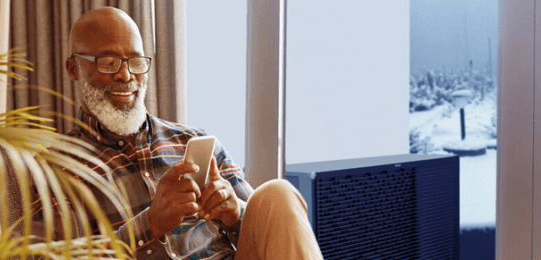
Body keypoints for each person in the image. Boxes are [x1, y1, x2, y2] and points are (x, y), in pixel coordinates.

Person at [22, 7, 323, 260]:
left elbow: (266, 232)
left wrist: (234, 212)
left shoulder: (194, 141)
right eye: (109, 62)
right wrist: (149, 224)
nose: (126, 75)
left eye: (136, 62)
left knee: (276, 194)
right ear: (73, 68)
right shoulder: (55, 167)